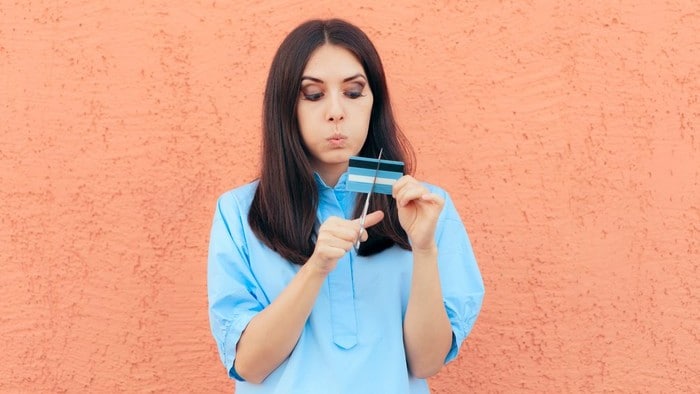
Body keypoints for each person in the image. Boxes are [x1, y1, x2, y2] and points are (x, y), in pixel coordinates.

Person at [208, 18, 484, 393]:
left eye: (354, 93)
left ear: (375, 103)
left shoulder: (427, 208)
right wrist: (316, 267)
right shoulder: (239, 212)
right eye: (313, 94)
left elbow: (426, 361)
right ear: (285, 106)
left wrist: (423, 250)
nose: (336, 111)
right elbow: (250, 365)